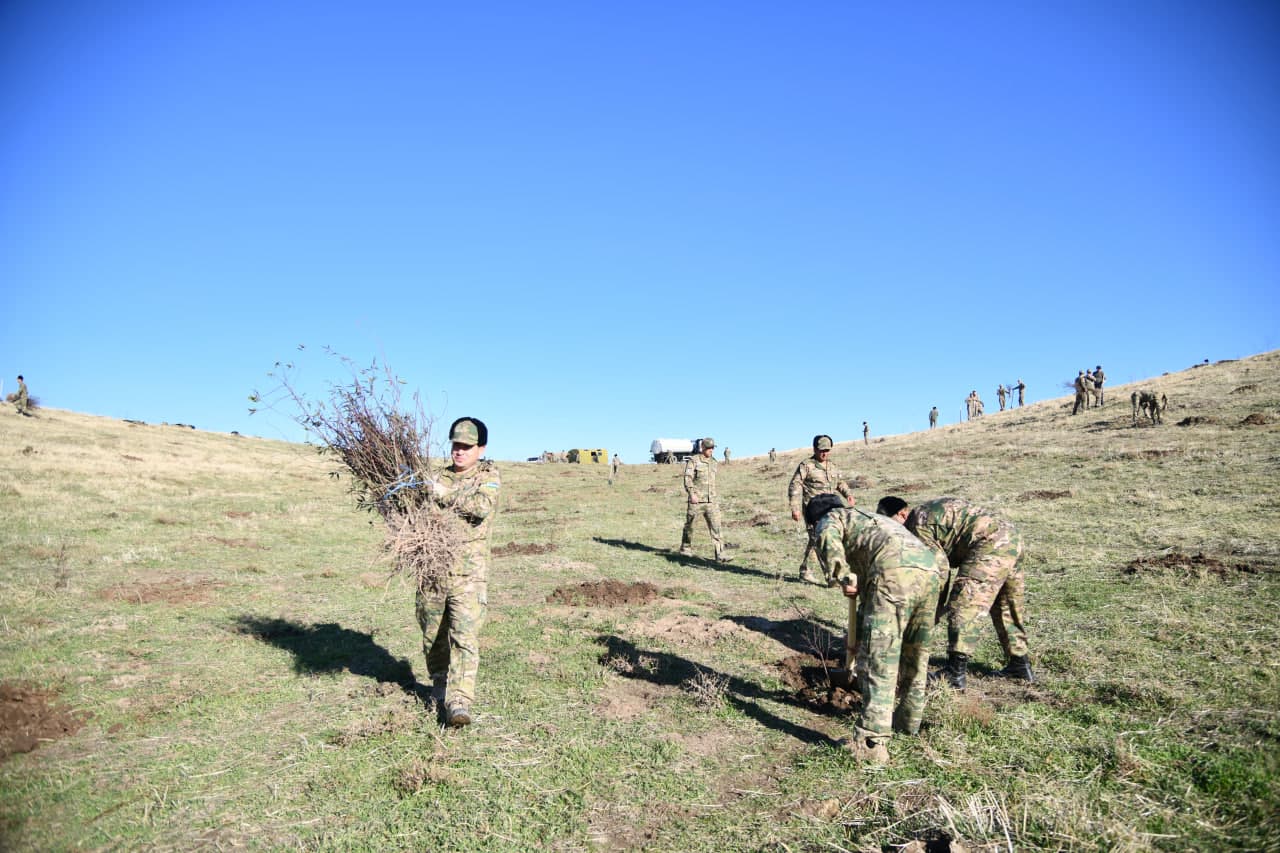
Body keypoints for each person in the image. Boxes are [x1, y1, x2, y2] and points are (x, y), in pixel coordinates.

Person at [808, 495, 946, 764]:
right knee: (915, 654)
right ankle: (908, 723)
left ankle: (872, 743)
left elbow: (827, 540)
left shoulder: (829, 518)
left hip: (893, 573)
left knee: (879, 658)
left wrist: (842, 576)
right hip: (929, 572)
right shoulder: (874, 520)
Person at [877, 495, 1033, 689]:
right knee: (1006, 604)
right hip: (1011, 537)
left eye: (893, 525)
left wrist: (928, 613)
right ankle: (1020, 664)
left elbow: (938, 571)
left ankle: (955, 672)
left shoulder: (916, 523)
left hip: (989, 542)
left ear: (902, 513)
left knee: (965, 602)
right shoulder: (929, 510)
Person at [414, 417, 501, 727]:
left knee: (464, 637)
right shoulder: (437, 476)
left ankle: (459, 701)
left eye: (466, 446)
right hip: (434, 572)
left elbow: (480, 508)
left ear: (481, 448)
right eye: (455, 445)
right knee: (432, 634)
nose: (459, 452)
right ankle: (439, 684)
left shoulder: (488, 477)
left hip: (469, 575)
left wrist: (442, 494)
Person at [788, 435, 855, 583]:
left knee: (830, 538)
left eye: (827, 450)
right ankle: (831, 577)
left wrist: (848, 494)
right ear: (814, 449)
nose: (824, 453)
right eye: (821, 450)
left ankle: (806, 570)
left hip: (831, 508)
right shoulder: (807, 465)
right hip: (814, 510)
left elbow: (840, 482)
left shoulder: (832, 466)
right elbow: (795, 485)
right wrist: (795, 508)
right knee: (817, 539)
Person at [679, 438, 724, 561]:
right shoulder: (694, 460)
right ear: (702, 447)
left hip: (711, 501)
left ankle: (720, 554)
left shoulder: (714, 462)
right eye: (708, 448)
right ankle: (685, 549)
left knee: (716, 527)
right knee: (690, 525)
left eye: (712, 448)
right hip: (696, 500)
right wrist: (692, 494)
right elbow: (688, 478)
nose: (711, 450)